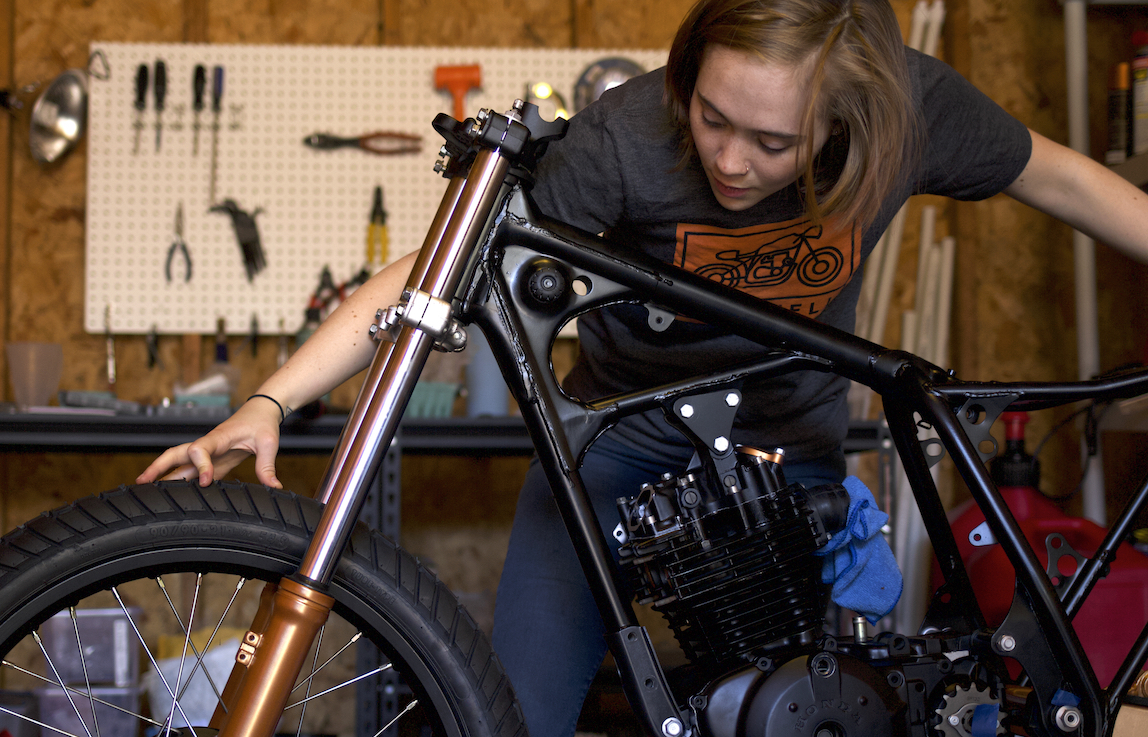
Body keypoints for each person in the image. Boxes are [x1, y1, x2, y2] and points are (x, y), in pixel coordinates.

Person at [138, 0, 1148, 735]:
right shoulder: (623, 137)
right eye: (713, 118)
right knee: (513, 713)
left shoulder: (909, 112)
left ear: (845, 121)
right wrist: (274, 397)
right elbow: (436, 270)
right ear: (684, 77)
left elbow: (1062, 177)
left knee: (799, 719)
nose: (734, 161)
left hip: (786, 466)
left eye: (772, 141)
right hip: (612, 452)